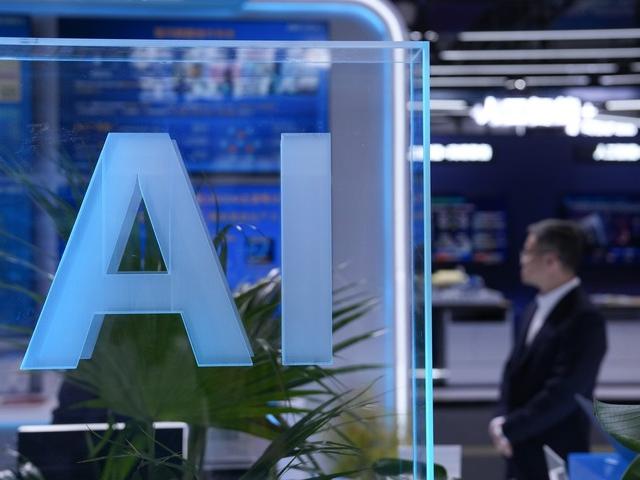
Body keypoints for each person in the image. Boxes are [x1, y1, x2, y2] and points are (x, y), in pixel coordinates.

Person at [489, 219, 607, 480]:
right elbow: (514, 370)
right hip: (519, 453)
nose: (522, 259)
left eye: (527, 251)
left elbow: (564, 392)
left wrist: (510, 429)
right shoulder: (534, 306)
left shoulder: (585, 318)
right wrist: (500, 418)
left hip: (556, 455)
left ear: (551, 260)